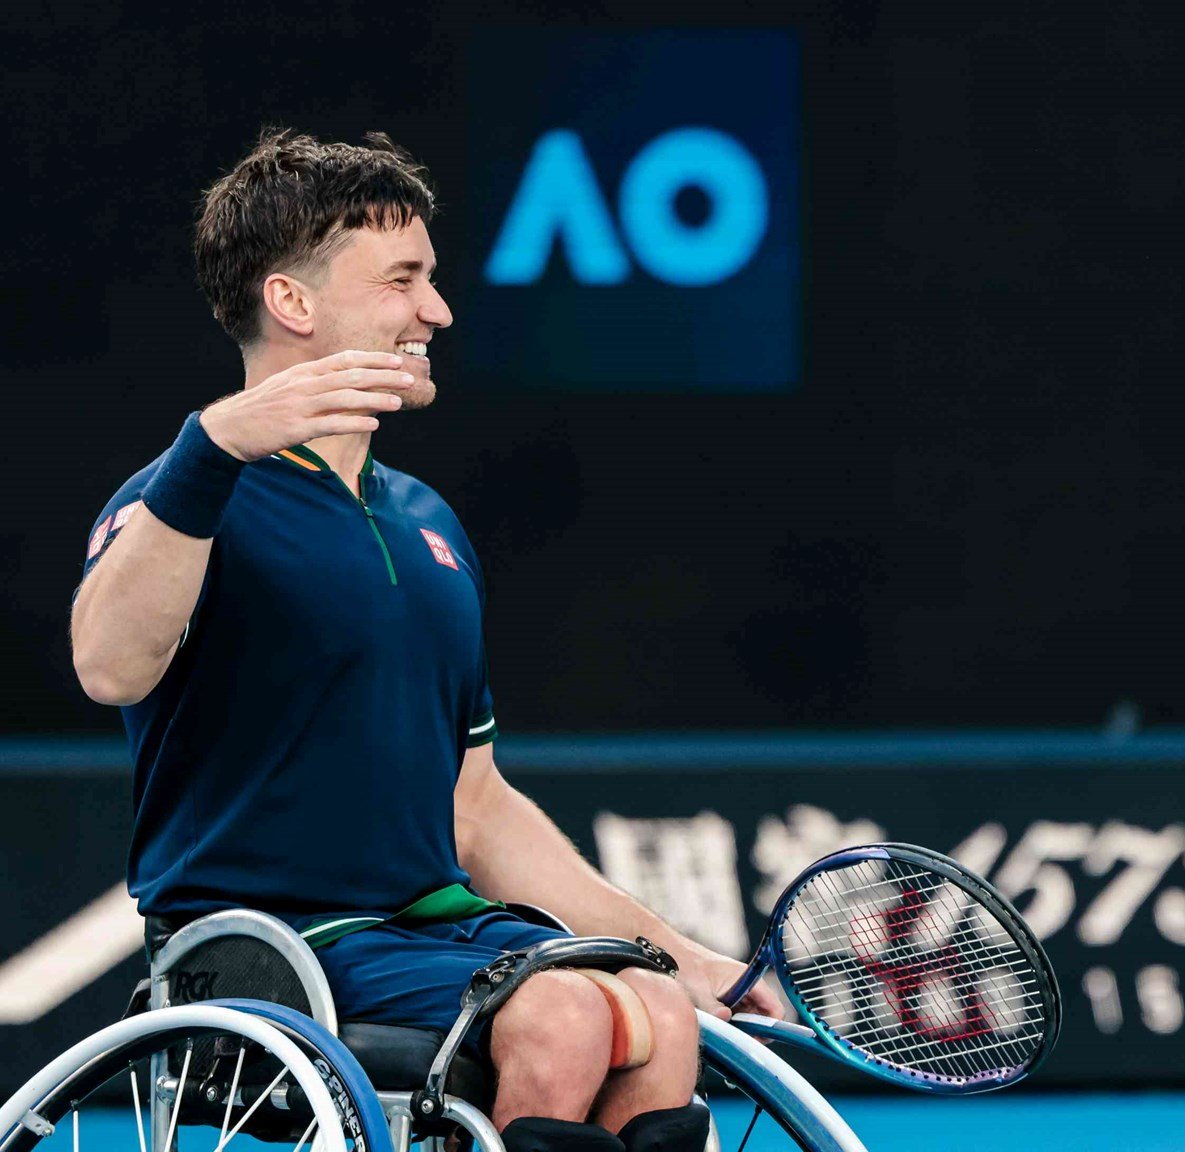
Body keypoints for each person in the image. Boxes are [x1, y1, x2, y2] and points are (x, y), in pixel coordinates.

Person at [69, 130, 777, 1152]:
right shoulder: (180, 499)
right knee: (567, 1014)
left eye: (431, 280)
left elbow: (477, 809)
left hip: (435, 929)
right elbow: (107, 664)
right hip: (270, 944)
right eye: (404, 280)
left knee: (657, 1007)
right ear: (293, 304)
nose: (436, 311)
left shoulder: (428, 520)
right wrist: (215, 444)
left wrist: (686, 956)